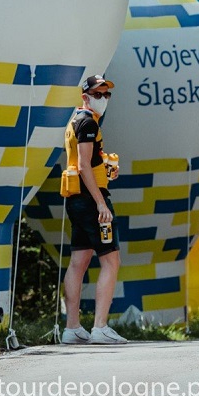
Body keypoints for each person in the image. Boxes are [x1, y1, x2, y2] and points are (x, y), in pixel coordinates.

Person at [61, 75, 126, 345]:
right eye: (98, 94)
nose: (104, 99)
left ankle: (72, 328)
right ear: (85, 96)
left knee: (79, 261)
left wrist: (104, 168)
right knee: (111, 260)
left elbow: (85, 162)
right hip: (91, 201)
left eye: (107, 95)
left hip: (77, 198)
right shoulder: (87, 122)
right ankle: (100, 326)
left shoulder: (77, 119)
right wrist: (101, 202)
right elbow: (85, 165)